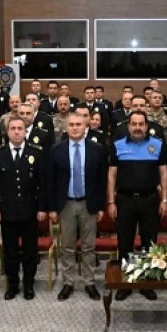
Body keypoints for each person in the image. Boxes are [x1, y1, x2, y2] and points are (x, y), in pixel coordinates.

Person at [106, 111, 167, 303]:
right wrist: (111, 202)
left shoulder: (157, 144)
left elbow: (164, 174)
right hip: (124, 200)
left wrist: (165, 200)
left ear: (147, 126)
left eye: (141, 124)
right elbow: (111, 175)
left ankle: (147, 283)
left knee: (150, 244)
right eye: (134, 124)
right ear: (128, 126)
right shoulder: (118, 145)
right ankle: (125, 284)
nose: (138, 128)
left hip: (150, 200)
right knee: (125, 243)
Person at [48, 111, 108, 301]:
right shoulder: (56, 150)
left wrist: (100, 206)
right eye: (71, 125)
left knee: (89, 246)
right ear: (66, 127)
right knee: (67, 247)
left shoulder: (97, 149)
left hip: (88, 204)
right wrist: (52, 208)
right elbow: (50, 181)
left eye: (78, 124)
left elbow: (101, 180)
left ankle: (89, 282)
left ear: (86, 127)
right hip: (65, 204)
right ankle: (68, 282)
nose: (75, 128)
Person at [0, 116, 49, 301]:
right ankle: (12, 284)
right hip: (7, 211)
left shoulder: (36, 152)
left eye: (19, 128)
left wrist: (42, 208)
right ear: (7, 132)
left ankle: (29, 284)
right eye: (12, 128)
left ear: (25, 131)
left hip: (30, 210)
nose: (16, 132)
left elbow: (43, 184)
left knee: (30, 250)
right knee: (10, 251)